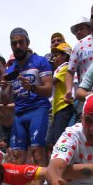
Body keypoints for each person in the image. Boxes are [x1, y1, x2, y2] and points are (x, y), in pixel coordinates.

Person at [5, 27, 54, 166]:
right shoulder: (10, 70)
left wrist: (32, 87)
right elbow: (4, 100)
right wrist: (4, 89)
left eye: (21, 42)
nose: (18, 46)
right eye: (14, 44)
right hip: (19, 114)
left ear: (27, 43)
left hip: (38, 109)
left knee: (37, 152)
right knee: (17, 157)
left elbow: (49, 90)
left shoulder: (40, 61)